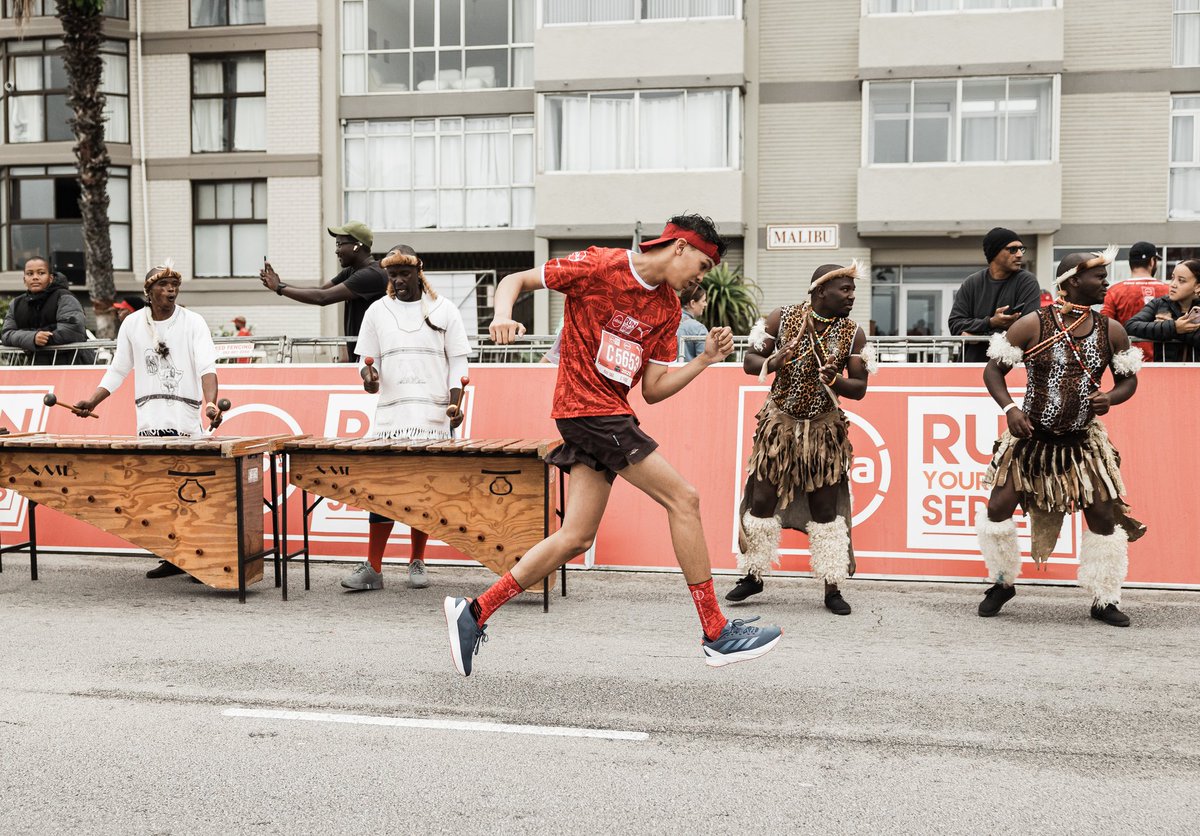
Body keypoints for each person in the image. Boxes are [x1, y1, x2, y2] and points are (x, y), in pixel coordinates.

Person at [443, 214, 783, 676]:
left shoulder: (665, 310)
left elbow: (654, 389)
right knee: (684, 499)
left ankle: (475, 612)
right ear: (679, 248)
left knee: (576, 537)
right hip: (587, 409)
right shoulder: (601, 265)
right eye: (702, 266)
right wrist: (502, 315)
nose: (701, 279)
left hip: (606, 413)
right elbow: (516, 279)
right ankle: (716, 631)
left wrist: (704, 360)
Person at [976, 246, 1144, 627]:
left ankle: (1105, 598)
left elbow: (1128, 380)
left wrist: (1110, 397)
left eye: (1105, 275)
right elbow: (993, 371)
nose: (1106, 282)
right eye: (1098, 276)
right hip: (1030, 442)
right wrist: (1010, 410)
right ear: (1072, 282)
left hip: (1082, 444)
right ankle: (1002, 582)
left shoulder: (1111, 330)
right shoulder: (1033, 324)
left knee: (1103, 515)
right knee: (997, 509)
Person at [725, 263, 875, 615]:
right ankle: (753, 574)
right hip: (779, 427)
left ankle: (832, 585)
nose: (852, 296)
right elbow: (749, 361)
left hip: (824, 431)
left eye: (853, 290)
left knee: (825, 511)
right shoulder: (783, 317)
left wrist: (835, 381)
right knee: (761, 502)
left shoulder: (854, 333)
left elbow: (860, 388)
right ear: (821, 291)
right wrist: (775, 359)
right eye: (845, 289)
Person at [73, 261, 222, 580]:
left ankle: (197, 557)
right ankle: (173, 556)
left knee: (188, 490)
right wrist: (92, 400)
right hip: (149, 421)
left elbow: (207, 367)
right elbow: (118, 370)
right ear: (149, 291)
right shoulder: (132, 325)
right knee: (160, 492)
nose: (171, 290)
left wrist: (210, 403)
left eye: (174, 285)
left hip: (184, 422)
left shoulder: (193, 322)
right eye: (164, 285)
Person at [341, 245, 470, 593]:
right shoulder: (377, 312)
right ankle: (374, 567)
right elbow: (368, 365)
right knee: (381, 494)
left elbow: (459, 363)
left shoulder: (443, 310)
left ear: (418, 272)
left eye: (404, 273)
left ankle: (417, 560)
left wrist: (456, 404)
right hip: (391, 417)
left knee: (423, 494)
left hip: (431, 417)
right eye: (393, 274)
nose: (398, 280)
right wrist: (369, 379)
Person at [258, 221, 387, 360]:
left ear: (357, 246)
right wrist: (280, 285)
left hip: (374, 356)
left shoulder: (371, 274)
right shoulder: (352, 271)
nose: (336, 250)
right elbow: (321, 289)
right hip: (363, 353)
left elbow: (323, 297)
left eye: (340, 244)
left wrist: (279, 288)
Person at [948, 227, 1042, 362]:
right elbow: (955, 324)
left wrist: (978, 336)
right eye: (1013, 249)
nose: (1020, 254)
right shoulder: (972, 283)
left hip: (1010, 368)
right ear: (995, 252)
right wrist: (991, 322)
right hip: (972, 367)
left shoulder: (1027, 281)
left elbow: (1029, 329)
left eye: (1022, 249)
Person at [2, 256, 94, 365]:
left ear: (50, 278)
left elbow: (72, 330)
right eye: (30, 274)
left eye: (41, 273)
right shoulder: (16, 303)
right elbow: (7, 335)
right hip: (38, 367)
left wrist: (39, 338)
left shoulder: (64, 297)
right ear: (24, 279)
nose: (35, 277)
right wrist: (33, 337)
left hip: (73, 365)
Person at [1100, 241, 1169, 363]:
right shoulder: (1168, 290)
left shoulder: (1114, 291)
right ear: (1152, 261)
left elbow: (1104, 326)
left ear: (1130, 263)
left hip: (1126, 362)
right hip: (1162, 361)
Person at [1123, 259, 1200, 363]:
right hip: (1165, 373)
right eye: (1172, 278)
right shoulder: (1159, 303)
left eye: (1181, 280)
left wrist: (1174, 328)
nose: (1173, 284)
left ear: (1197, 286)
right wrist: (1174, 327)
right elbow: (1131, 326)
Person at [676, 283, 709, 362]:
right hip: (689, 373)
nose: (706, 304)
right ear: (693, 303)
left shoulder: (667, 320)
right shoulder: (698, 328)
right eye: (703, 301)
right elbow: (704, 360)